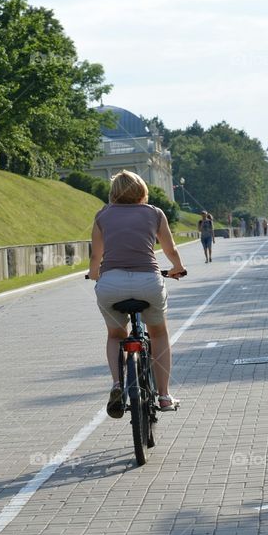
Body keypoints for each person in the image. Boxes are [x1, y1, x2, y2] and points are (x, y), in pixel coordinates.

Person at [88, 170, 187, 418]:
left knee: (115, 335)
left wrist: (93, 274)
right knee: (159, 333)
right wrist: (177, 268)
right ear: (142, 191)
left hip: (111, 283)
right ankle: (163, 395)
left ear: (113, 193)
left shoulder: (102, 216)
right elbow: (170, 249)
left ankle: (117, 385)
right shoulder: (154, 213)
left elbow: (95, 257)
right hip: (148, 282)